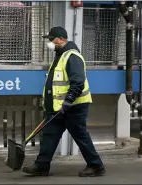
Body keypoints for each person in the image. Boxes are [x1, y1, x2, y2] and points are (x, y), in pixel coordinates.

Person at [22, 27, 106, 177]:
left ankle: (96, 166)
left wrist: (67, 102)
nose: (49, 42)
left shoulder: (72, 56)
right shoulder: (60, 55)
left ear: (61, 39)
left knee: (80, 135)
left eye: (51, 39)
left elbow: (78, 82)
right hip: (58, 107)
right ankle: (41, 165)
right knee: (50, 135)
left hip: (73, 107)